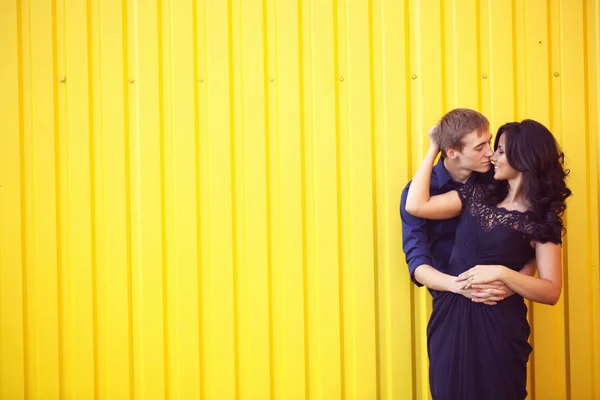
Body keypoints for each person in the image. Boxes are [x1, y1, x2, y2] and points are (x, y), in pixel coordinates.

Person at [405, 118, 571, 399]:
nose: (493, 156)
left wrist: (504, 274)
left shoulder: (541, 219)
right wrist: (435, 146)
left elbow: (551, 290)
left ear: (524, 158)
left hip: (499, 324)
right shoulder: (477, 193)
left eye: (501, 150)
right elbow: (416, 204)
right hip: (450, 316)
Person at [400, 109, 535, 308]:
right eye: (480, 147)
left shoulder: (498, 181)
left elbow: (532, 245)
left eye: (489, 142)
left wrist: (512, 286)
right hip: (450, 301)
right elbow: (418, 263)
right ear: (452, 152)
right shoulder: (419, 193)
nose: (490, 152)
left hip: (500, 301)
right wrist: (460, 287)